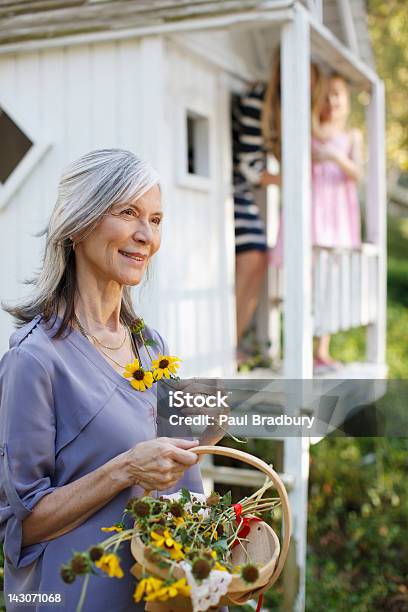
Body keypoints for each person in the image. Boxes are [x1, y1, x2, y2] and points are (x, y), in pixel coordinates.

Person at [0, 149, 225, 611]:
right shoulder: (34, 360)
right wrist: (124, 468)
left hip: (158, 591)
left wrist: (204, 429)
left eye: (156, 219)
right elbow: (20, 525)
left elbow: (164, 465)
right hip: (76, 595)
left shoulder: (150, 345)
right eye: (128, 213)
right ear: (78, 224)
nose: (147, 236)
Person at [232, 53, 281, 365]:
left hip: (241, 188)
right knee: (253, 257)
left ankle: (233, 341)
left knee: (260, 258)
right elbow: (249, 166)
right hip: (230, 185)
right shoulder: (260, 101)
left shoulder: (278, 109)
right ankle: (229, 343)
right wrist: (293, 178)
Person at [311, 73, 363, 368]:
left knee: (329, 280)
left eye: (338, 94)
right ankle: (302, 344)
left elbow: (358, 174)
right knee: (310, 277)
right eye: (327, 94)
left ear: (346, 100)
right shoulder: (312, 132)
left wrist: (334, 157)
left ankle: (322, 349)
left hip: (338, 212)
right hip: (315, 210)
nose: (332, 100)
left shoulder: (352, 136)